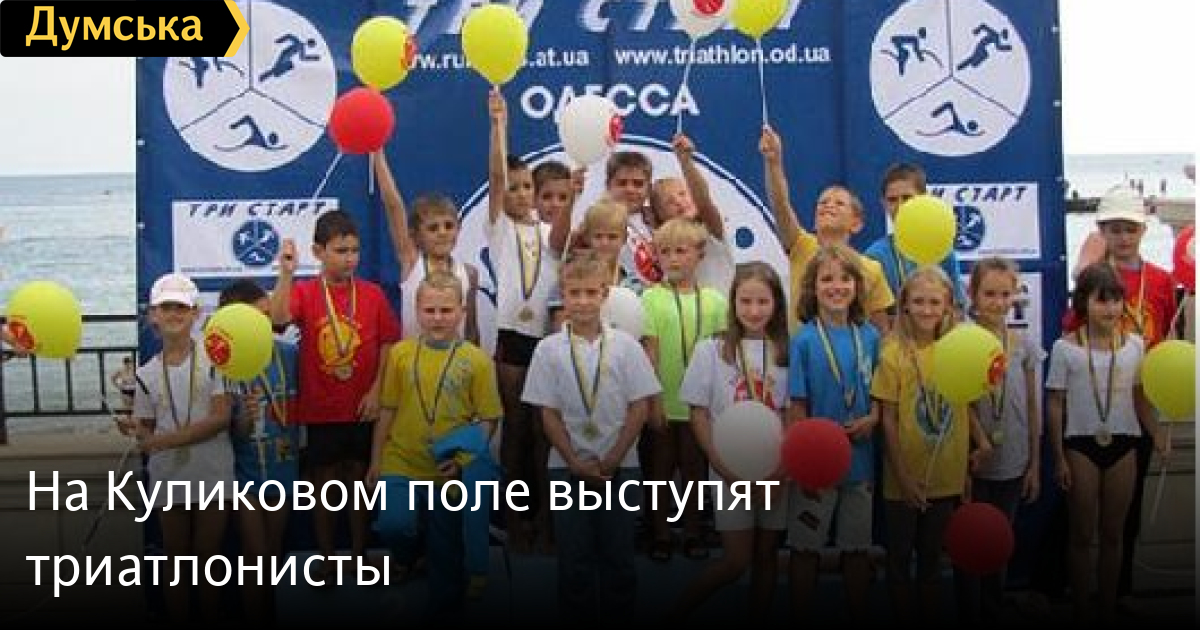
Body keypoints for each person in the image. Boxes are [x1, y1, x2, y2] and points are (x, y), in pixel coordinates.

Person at [521, 251, 661, 622]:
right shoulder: (548, 349)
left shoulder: (627, 347)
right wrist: (572, 460)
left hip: (622, 467)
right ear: (563, 296)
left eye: (590, 292)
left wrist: (613, 457)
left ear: (604, 295)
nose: (582, 301)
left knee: (619, 558)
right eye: (574, 293)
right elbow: (547, 413)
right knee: (573, 560)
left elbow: (639, 407)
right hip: (564, 468)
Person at [268, 210, 402, 581]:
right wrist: (286, 273)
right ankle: (327, 560)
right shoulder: (306, 292)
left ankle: (359, 557)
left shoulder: (372, 294)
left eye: (354, 250)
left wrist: (377, 389)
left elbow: (389, 343)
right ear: (318, 251)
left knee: (359, 486)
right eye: (341, 251)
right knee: (324, 487)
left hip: (362, 407)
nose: (350, 258)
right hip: (320, 408)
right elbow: (277, 319)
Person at [1064, 185, 1176, 611]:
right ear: (1102, 231)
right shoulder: (1092, 277)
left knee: (1126, 512)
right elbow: (1071, 331)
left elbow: (1168, 334)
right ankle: (1067, 590)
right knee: (1078, 513)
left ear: (1143, 231)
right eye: (1114, 229)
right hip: (1093, 401)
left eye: (1130, 229)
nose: (1123, 237)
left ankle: (1121, 591)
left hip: (1141, 400)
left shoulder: (1161, 280)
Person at [369, 271, 503, 617]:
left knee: (446, 556)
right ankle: (406, 557)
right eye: (429, 311)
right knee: (393, 525)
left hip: (448, 470)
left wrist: (462, 461)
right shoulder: (401, 354)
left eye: (446, 310)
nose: (438, 318)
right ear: (416, 311)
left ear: (462, 311)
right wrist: (376, 461)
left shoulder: (477, 360)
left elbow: (489, 418)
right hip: (401, 460)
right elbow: (387, 409)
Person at [666, 262, 790, 622]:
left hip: (775, 473)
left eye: (763, 302)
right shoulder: (712, 350)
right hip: (728, 471)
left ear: (777, 304)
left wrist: (779, 474)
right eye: (745, 301)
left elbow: (792, 415)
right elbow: (698, 414)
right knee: (736, 561)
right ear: (733, 302)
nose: (754, 310)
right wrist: (725, 470)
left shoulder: (786, 352)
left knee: (767, 556)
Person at [1045, 263, 1167, 624]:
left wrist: (1157, 433)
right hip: (1080, 445)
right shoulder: (1065, 348)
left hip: (1124, 443)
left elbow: (1140, 397)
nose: (1110, 309)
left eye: (1115, 301)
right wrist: (1058, 457)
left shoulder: (1135, 346)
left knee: (1114, 535)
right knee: (1082, 534)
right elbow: (1055, 403)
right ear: (1084, 302)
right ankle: (1082, 607)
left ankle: (1108, 606)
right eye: (1101, 300)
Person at [871, 266, 991, 623]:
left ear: (949, 306)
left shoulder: (957, 351)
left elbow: (963, 404)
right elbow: (888, 421)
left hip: (946, 475)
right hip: (903, 479)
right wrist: (903, 478)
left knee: (932, 560)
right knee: (898, 559)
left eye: (934, 302)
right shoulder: (892, 354)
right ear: (905, 305)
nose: (926, 310)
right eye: (919, 301)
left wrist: (980, 443)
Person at [121, 272, 232, 622]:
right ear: (153, 314)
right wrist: (134, 428)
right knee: (176, 556)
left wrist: (161, 441)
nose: (173, 314)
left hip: (213, 470)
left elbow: (220, 418)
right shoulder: (146, 373)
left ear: (196, 313)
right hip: (169, 474)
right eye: (166, 307)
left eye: (181, 308)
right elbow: (146, 429)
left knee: (209, 555)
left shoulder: (216, 360)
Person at [787, 244, 883, 622]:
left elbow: (881, 397)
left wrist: (873, 418)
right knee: (805, 548)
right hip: (816, 466)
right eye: (827, 279)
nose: (836, 287)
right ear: (813, 287)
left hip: (860, 463)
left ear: (857, 287)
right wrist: (805, 458)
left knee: (856, 549)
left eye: (845, 279)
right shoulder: (804, 340)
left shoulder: (870, 337)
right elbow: (797, 405)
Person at [954, 257, 1044, 622]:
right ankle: (969, 608)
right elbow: (959, 399)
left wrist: (1035, 463)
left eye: (1005, 294)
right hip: (974, 459)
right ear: (973, 295)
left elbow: (1033, 405)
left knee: (999, 537)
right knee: (969, 537)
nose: (997, 302)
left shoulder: (1022, 343)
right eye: (989, 294)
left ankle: (993, 606)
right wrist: (978, 442)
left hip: (1014, 457)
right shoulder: (963, 341)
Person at [487, 89, 558, 552]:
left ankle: (546, 522)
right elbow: (495, 177)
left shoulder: (553, 231)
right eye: (513, 187)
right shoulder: (500, 228)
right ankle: (514, 522)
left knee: (544, 431)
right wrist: (499, 125)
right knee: (515, 428)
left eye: (526, 186)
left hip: (547, 337)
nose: (519, 193)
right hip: (512, 337)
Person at [641, 218, 728, 561]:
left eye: (681, 251)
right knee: (660, 471)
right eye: (665, 252)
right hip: (664, 400)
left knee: (694, 470)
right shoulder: (650, 298)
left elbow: (722, 356)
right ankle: (660, 534)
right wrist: (654, 401)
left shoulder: (715, 301)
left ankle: (692, 531)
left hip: (701, 408)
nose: (673, 259)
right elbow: (649, 353)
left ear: (700, 255)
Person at [759, 125, 894, 334]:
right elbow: (780, 205)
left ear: (856, 224)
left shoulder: (872, 269)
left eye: (839, 203)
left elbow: (881, 331)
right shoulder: (801, 246)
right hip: (801, 352)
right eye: (822, 202)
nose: (828, 205)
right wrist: (773, 163)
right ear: (814, 222)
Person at [219, 279, 300, 624]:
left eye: (267, 316)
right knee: (255, 555)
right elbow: (225, 430)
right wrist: (244, 418)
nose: (265, 324)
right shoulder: (222, 363)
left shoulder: (289, 355)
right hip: (243, 470)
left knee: (274, 553)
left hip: (283, 464)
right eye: (255, 319)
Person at [374, 148, 480, 345]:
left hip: (455, 361)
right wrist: (378, 154)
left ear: (458, 229)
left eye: (448, 226)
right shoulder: (411, 262)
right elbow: (393, 205)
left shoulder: (469, 273)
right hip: (415, 360)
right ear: (415, 235)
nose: (442, 232)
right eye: (433, 228)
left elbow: (471, 329)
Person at [863, 162, 967, 311]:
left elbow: (957, 307)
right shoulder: (875, 255)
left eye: (907, 198)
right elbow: (876, 316)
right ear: (883, 204)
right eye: (892, 200)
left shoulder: (941, 247)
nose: (900, 206)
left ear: (924, 198)